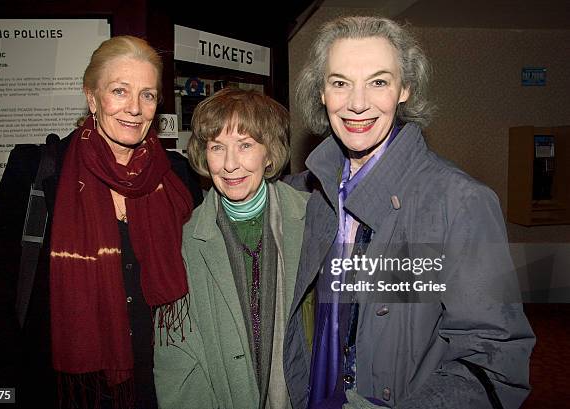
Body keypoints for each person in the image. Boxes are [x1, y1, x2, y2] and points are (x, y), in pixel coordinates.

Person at [283, 16, 535, 409]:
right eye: (340, 83)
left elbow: (494, 363)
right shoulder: (306, 195)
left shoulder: (460, 203)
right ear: (321, 92)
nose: (357, 103)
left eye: (378, 82)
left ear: (405, 90)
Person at [0, 35, 202, 409]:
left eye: (147, 94)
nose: (135, 108)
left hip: (160, 388)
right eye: (119, 91)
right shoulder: (36, 170)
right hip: (62, 392)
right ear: (92, 97)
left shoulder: (176, 177)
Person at [153, 88, 309, 409]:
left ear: (269, 153)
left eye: (246, 145)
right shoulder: (181, 242)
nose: (229, 165)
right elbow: (175, 362)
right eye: (217, 147)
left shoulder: (314, 223)